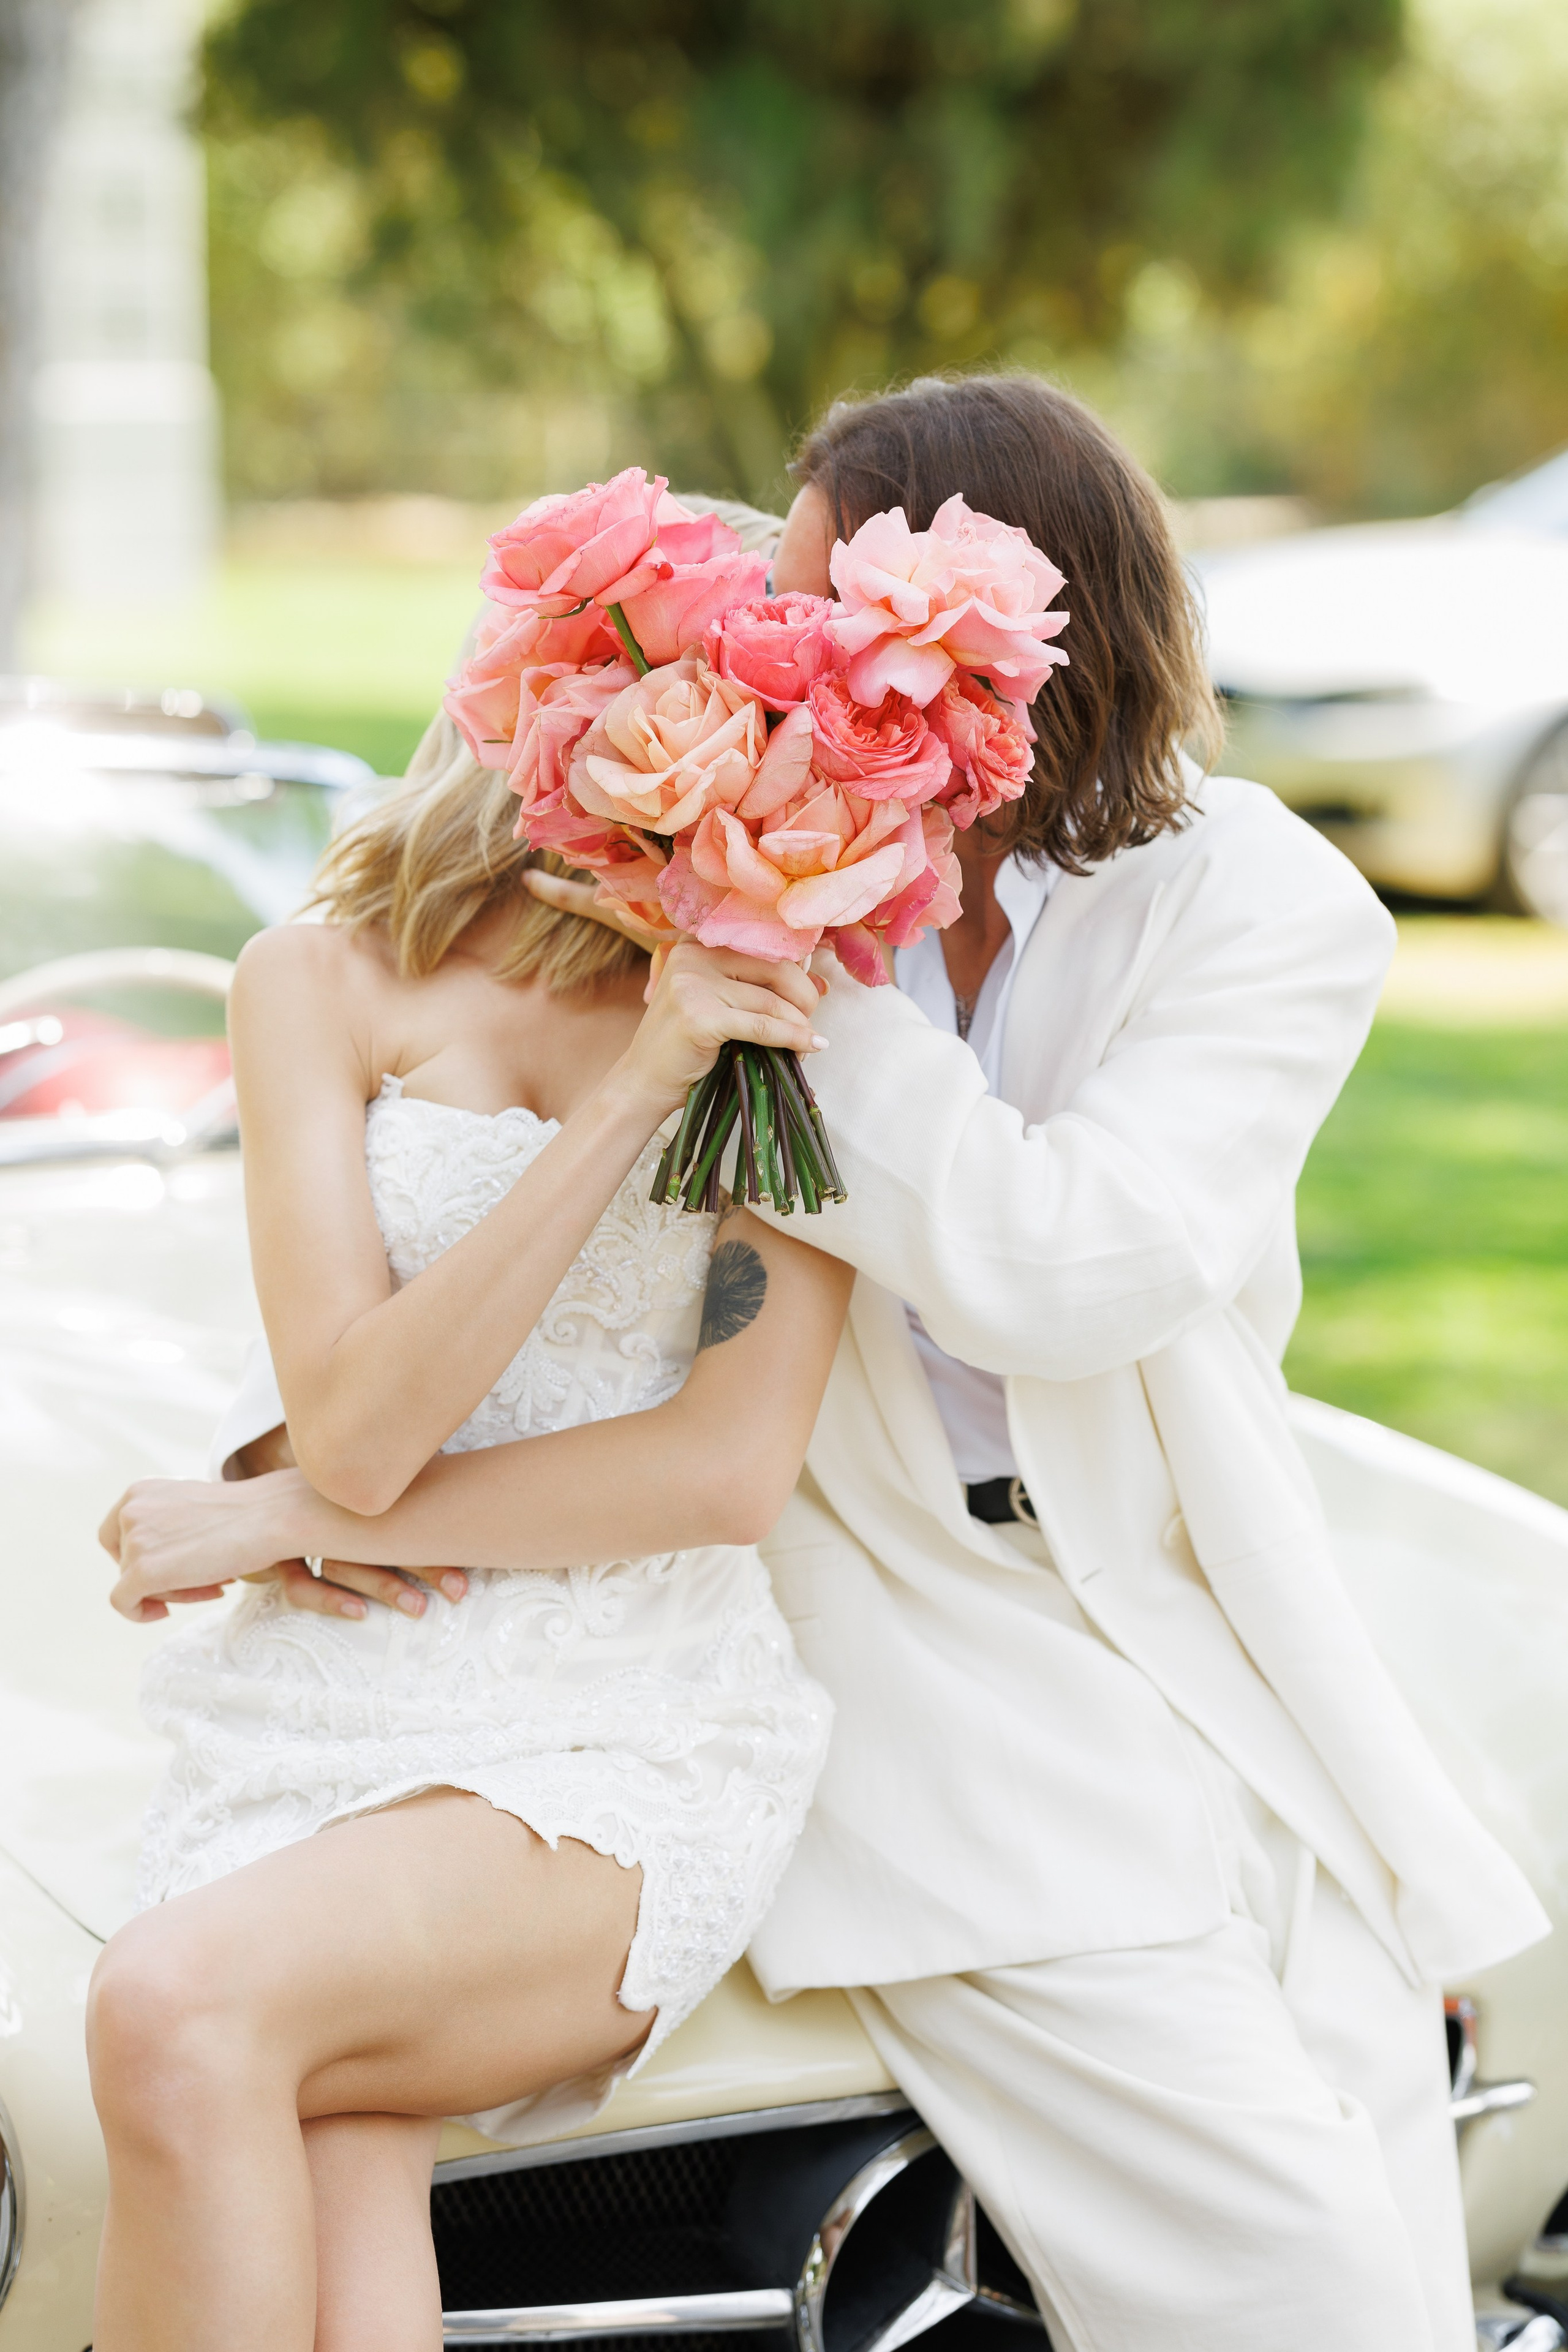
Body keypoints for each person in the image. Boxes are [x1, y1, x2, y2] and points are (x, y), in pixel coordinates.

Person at [108, 374, 1550, 2352]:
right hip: (907, 1665)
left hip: (1208, 1644)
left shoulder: (1255, 902)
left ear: (976, 647)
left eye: (814, 625)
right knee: (1297, 2289)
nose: (771, 671)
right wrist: (299, 1474)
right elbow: (512, 1340)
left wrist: (796, 947)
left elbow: (1062, 1267)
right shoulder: (636, 951)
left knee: (1399, 2208)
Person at [89, 731, 850, 2352]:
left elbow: (722, 1474)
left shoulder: (799, 1020)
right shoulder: (319, 977)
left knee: (174, 2004)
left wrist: (276, 1508)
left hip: (621, 1716)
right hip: (313, 1708)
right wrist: (638, 1083)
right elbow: (360, 1429)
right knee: (327, 2168)